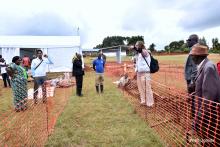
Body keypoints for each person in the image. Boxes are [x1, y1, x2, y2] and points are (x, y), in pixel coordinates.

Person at [190, 44, 220, 146]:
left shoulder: (209, 67)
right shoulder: (204, 65)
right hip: (205, 112)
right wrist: (194, 93)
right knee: (205, 138)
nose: (191, 57)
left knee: (209, 138)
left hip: (208, 114)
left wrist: (198, 118)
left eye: (192, 55)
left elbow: (209, 97)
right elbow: (204, 87)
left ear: (199, 56)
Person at [134, 41, 154, 107]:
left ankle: (150, 103)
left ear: (140, 46)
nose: (136, 46)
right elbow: (137, 64)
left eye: (137, 45)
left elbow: (140, 51)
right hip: (139, 73)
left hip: (145, 73)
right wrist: (136, 72)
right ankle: (143, 101)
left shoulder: (145, 52)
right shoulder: (138, 54)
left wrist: (133, 47)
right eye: (135, 45)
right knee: (141, 88)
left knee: (147, 88)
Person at [184, 34, 199, 117]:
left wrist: (192, 81)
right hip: (190, 78)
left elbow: (195, 68)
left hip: (192, 79)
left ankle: (194, 115)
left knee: (193, 96)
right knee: (192, 96)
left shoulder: (195, 51)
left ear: (194, 41)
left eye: (189, 40)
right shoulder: (193, 49)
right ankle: (193, 113)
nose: (187, 42)